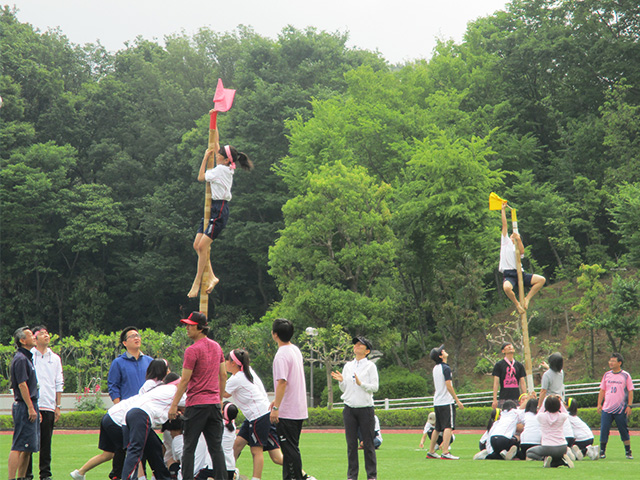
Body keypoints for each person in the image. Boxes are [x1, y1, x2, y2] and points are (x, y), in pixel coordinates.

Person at [70, 372, 180, 480]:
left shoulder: (153, 393)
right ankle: (123, 476)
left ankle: (80, 472)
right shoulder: (169, 391)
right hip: (119, 420)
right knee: (135, 450)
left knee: (113, 453)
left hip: (113, 416)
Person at [187, 125, 254, 298]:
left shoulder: (220, 170)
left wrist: (204, 158)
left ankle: (198, 281)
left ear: (225, 160)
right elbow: (216, 143)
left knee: (202, 246)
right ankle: (213, 277)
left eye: (218, 156)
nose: (215, 156)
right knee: (197, 245)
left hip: (219, 210)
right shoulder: (227, 165)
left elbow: (201, 177)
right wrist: (213, 122)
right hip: (212, 207)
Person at [168, 312, 228, 480]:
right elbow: (223, 375)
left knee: (189, 448)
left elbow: (185, 379)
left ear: (200, 328)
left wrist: (174, 405)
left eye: (190, 325)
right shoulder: (217, 347)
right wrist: (220, 399)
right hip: (214, 404)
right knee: (216, 448)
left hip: (196, 405)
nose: (187, 328)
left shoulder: (192, 350)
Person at [223, 348, 282, 480]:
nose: (225, 363)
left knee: (256, 451)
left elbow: (224, 393)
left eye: (227, 360)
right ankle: (228, 472)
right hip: (258, 415)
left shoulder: (237, 378)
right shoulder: (248, 372)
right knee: (238, 445)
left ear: (233, 363)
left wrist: (218, 376)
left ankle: (255, 478)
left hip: (258, 416)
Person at [107, 326, 153, 480]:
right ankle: (117, 475)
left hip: (145, 411)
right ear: (125, 343)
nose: (137, 338)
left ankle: (141, 475)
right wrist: (119, 406)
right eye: (132, 336)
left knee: (144, 445)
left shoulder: (149, 361)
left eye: (138, 335)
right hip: (126, 412)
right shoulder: (118, 362)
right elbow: (113, 386)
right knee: (124, 447)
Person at [331, 336, 379, 480]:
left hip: (365, 409)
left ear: (367, 351)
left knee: (368, 444)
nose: (356, 346)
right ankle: (352, 476)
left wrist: (361, 383)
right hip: (349, 408)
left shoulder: (371, 366)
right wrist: (341, 382)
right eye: (355, 344)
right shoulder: (348, 366)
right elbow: (345, 388)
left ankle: (371, 476)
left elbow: (375, 388)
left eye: (360, 345)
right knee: (351, 445)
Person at [120, 375, 186, 480]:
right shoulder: (174, 390)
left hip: (131, 416)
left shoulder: (162, 390)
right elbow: (190, 405)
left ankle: (163, 477)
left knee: (155, 448)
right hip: (140, 415)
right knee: (135, 450)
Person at [270, 318, 312, 480]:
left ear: (275, 335)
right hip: (298, 408)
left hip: (288, 411)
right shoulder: (294, 349)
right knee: (290, 449)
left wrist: (276, 408)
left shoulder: (281, 355)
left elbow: (282, 382)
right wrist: (277, 401)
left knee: (289, 449)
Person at [25, 326, 63, 480]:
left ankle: (45, 474)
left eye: (47, 333)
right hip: (33, 405)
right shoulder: (29, 357)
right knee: (28, 442)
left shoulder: (55, 358)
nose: (46, 336)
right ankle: (27, 474)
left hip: (48, 405)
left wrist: (58, 406)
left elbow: (58, 383)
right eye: (42, 334)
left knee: (46, 443)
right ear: (35, 338)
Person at [499, 201, 546, 314]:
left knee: (541, 280)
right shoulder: (505, 242)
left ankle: (527, 298)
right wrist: (503, 210)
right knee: (506, 288)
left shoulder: (517, 246)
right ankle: (517, 304)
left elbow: (522, 251)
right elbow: (504, 225)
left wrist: (519, 240)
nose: (512, 236)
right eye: (512, 236)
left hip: (520, 272)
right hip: (510, 274)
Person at [8, 327, 39, 480]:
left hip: (30, 404)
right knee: (19, 445)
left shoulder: (27, 358)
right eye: (30, 335)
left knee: (28, 447)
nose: (34, 337)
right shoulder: (20, 359)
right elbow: (22, 384)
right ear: (22, 340)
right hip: (24, 405)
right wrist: (31, 408)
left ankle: (22, 477)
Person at [426, 345, 464, 460]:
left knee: (438, 428)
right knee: (448, 426)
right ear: (440, 356)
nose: (444, 351)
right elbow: (448, 385)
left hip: (437, 401)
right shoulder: (446, 368)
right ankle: (445, 452)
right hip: (446, 401)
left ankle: (431, 451)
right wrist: (457, 400)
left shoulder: (435, 368)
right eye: (442, 351)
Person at [597, 352, 634, 460]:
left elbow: (630, 391)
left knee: (623, 429)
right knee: (604, 429)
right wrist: (599, 404)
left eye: (613, 361)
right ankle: (602, 451)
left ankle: (628, 451)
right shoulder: (607, 375)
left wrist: (629, 406)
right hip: (607, 408)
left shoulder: (625, 375)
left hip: (620, 408)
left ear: (619, 363)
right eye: (610, 361)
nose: (610, 363)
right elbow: (602, 390)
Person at [526, 395, 573, 468]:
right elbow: (566, 412)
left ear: (546, 405)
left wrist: (545, 399)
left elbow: (540, 411)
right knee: (556, 455)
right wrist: (560, 401)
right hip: (562, 447)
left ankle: (545, 459)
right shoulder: (562, 416)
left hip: (547, 447)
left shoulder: (542, 417)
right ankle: (559, 461)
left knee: (529, 452)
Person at [491, 342, 526, 409]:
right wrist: (494, 399)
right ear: (503, 351)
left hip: (516, 397)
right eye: (507, 346)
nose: (510, 347)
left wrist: (525, 396)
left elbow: (522, 382)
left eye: (511, 346)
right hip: (504, 397)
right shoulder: (499, 365)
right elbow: (496, 383)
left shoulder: (519, 365)